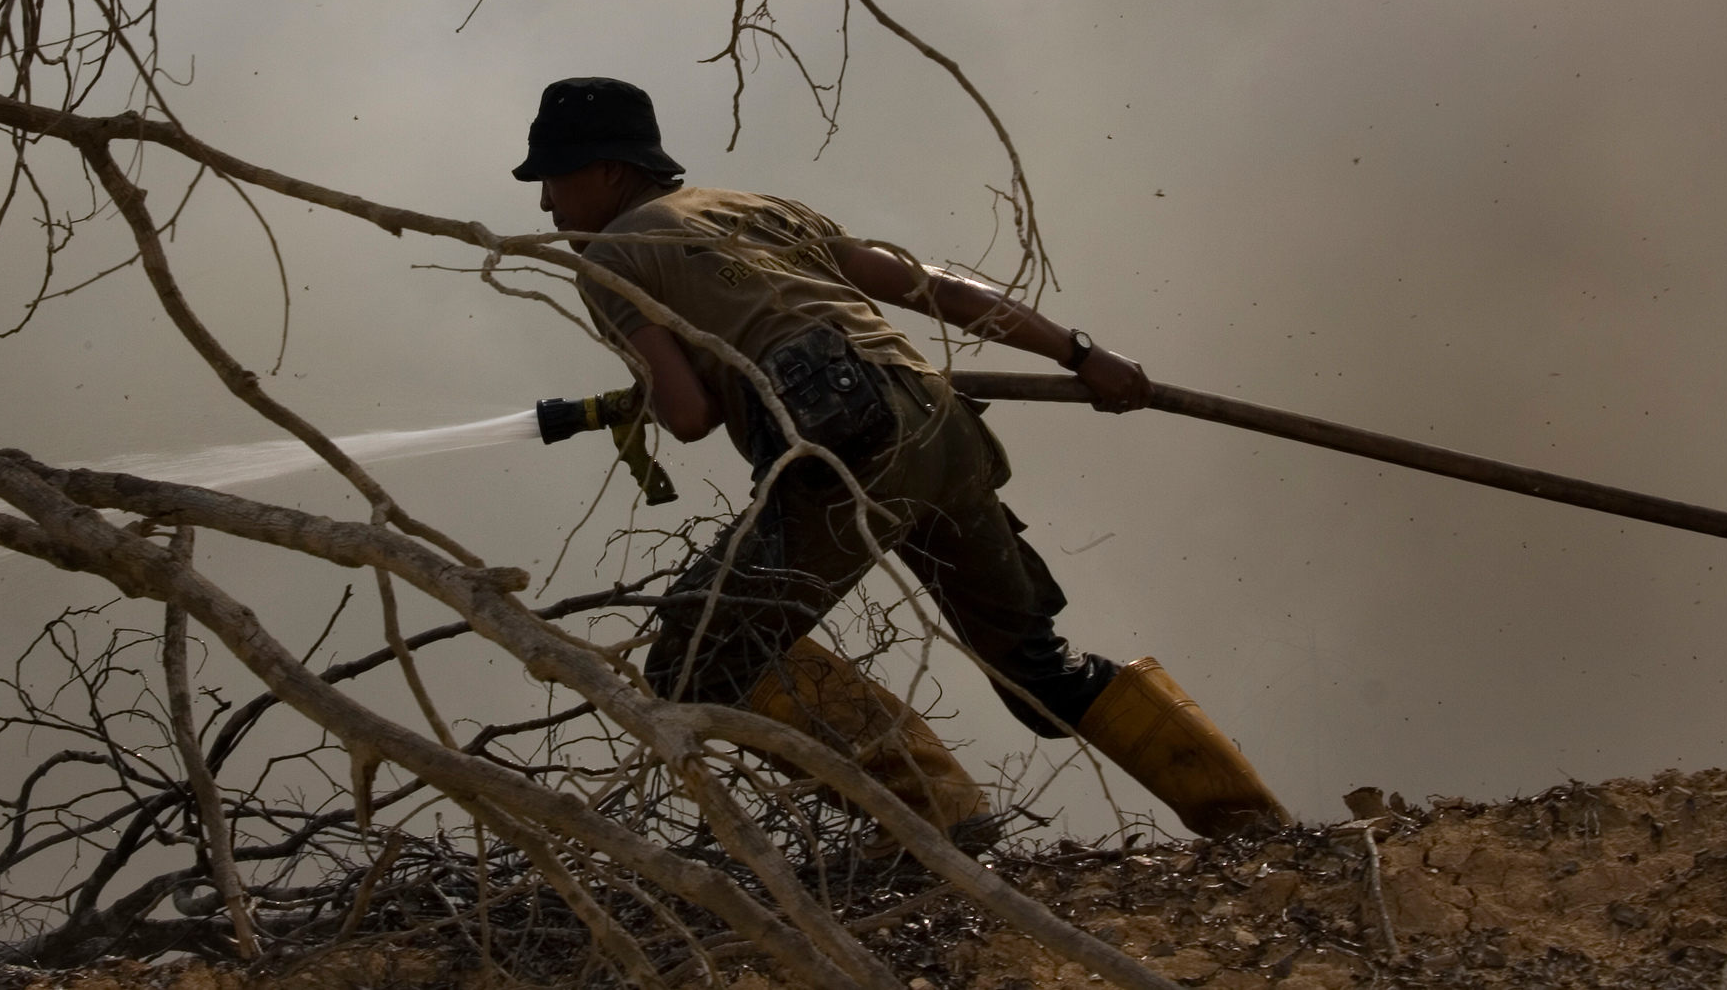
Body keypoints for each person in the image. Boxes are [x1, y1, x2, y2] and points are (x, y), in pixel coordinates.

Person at [517, 76, 1290, 843]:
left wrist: (654, 383)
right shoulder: (758, 208)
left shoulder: (611, 258)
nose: (548, 206)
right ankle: (1253, 823)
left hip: (848, 445)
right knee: (1036, 669)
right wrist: (1079, 352)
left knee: (697, 654)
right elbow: (931, 289)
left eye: (552, 178)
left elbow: (688, 416)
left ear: (609, 170)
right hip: (943, 425)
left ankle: (942, 817)